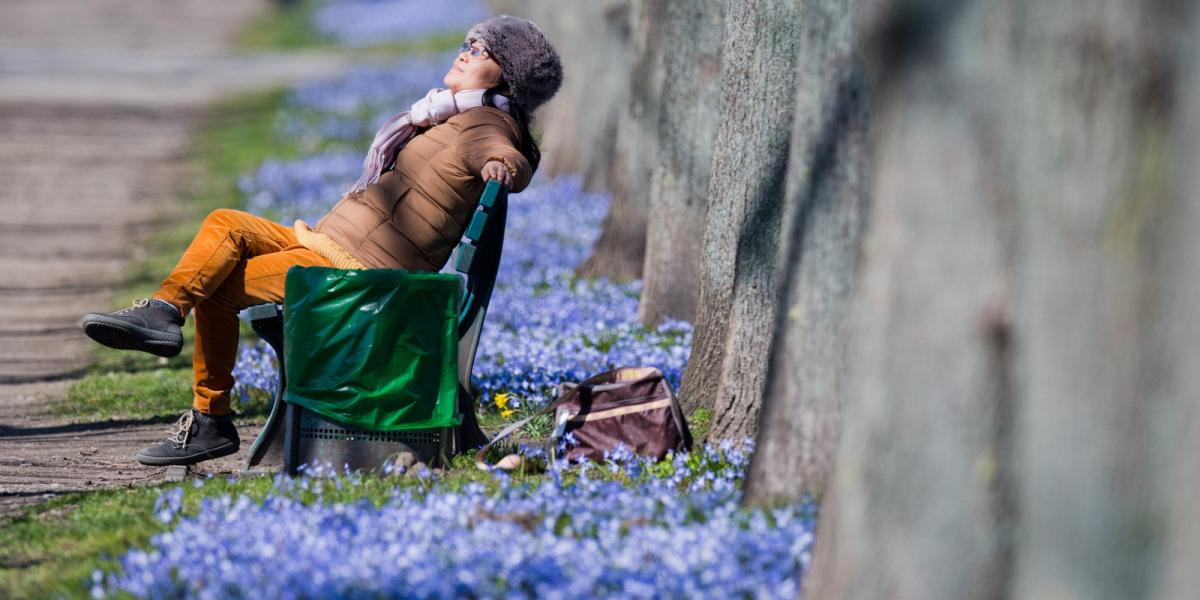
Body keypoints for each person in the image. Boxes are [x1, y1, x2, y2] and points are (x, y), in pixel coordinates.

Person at [78, 16, 563, 466]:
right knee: (225, 223)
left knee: (220, 290)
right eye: (468, 43)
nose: (465, 52)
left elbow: (506, 157)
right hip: (332, 245)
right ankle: (164, 313)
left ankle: (210, 416)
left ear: (506, 77)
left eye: (480, 50)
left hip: (358, 270)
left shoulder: (486, 124)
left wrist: (505, 168)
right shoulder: (451, 115)